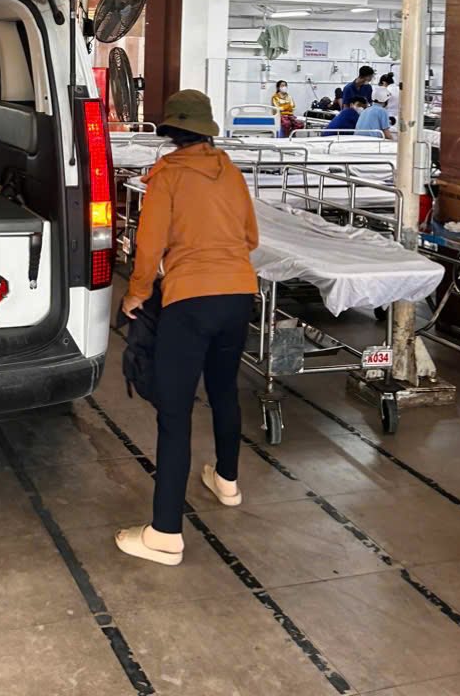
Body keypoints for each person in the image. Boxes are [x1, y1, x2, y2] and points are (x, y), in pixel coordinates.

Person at [115, 90, 259, 567]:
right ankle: (227, 481)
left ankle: (164, 534)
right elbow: (251, 237)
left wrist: (136, 292)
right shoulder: (231, 173)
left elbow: (149, 243)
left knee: (174, 414)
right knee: (223, 391)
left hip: (190, 300)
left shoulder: (168, 176)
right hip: (239, 294)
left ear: (171, 130)